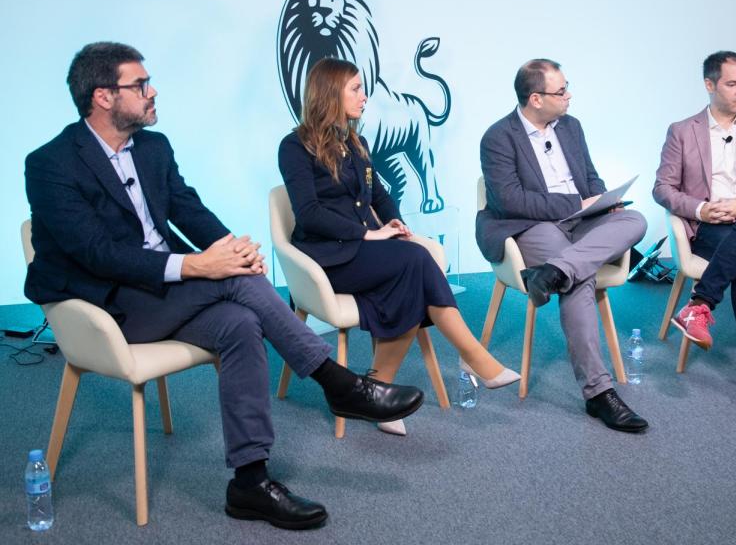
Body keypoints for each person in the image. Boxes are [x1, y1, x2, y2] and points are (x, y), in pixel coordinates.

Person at [24, 42, 425, 531]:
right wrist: (197, 266)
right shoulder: (50, 164)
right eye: (140, 85)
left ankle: (249, 483)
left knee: (239, 323)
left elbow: (188, 208)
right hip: (109, 307)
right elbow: (96, 254)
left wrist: (231, 249)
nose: (152, 92)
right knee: (237, 285)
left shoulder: (153, 147)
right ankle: (337, 384)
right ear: (103, 97)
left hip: (166, 294)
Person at [278, 58, 520, 436]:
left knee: (412, 272)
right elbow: (308, 214)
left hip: (361, 251)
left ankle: (377, 391)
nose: (364, 95)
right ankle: (472, 357)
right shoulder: (294, 146)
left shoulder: (356, 142)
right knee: (416, 264)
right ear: (329, 94)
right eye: (356, 89)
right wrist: (367, 235)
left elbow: (379, 194)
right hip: (326, 258)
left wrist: (395, 223)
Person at [477, 58, 649, 433]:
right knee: (580, 278)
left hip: (582, 224)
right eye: (561, 91)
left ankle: (553, 272)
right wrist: (576, 204)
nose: (569, 96)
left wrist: (605, 199)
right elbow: (511, 200)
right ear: (536, 99)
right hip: (531, 226)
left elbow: (588, 177)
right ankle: (599, 393)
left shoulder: (571, 126)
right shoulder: (498, 137)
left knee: (635, 220)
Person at [653, 51, 736, 410]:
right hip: (711, 227)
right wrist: (702, 209)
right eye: (732, 83)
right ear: (709, 85)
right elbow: (662, 188)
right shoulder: (682, 131)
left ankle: (700, 305)